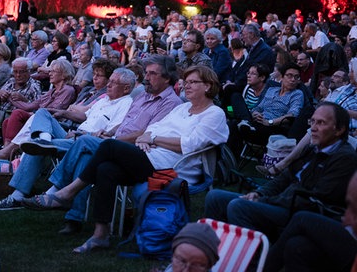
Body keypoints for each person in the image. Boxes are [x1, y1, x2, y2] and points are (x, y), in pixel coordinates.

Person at [22, 66, 229, 253]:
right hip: (149, 158)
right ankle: (100, 235)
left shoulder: (214, 114)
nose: (186, 85)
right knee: (105, 169)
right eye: (186, 81)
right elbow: (151, 129)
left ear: (208, 86)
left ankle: (67, 191)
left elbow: (189, 143)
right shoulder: (182, 108)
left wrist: (154, 138)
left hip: (172, 170)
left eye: (193, 82)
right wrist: (151, 137)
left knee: (109, 146)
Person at [205, 102, 357, 241]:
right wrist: (260, 193)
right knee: (214, 197)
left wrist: (264, 200)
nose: (313, 128)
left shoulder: (344, 159)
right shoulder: (313, 148)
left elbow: (313, 198)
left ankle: (251, 260)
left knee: (238, 207)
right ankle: (211, 248)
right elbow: (283, 178)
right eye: (312, 121)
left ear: (339, 129)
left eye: (321, 123)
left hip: (300, 213)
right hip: (280, 202)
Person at [0, 68, 136, 210]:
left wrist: (82, 135)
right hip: (74, 134)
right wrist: (63, 113)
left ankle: (17, 196)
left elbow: (110, 134)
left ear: (126, 88)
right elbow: (84, 116)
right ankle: (44, 140)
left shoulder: (126, 103)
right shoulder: (104, 100)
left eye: (113, 82)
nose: (108, 85)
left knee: (34, 145)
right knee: (42, 112)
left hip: (85, 141)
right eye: (109, 81)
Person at [0, 59, 76, 161]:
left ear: (64, 75)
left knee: (17, 113)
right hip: (37, 116)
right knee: (7, 121)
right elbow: (28, 106)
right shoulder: (51, 91)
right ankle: (7, 153)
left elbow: (54, 111)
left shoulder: (68, 90)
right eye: (50, 71)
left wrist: (13, 100)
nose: (49, 74)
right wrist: (9, 96)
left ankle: (6, 153)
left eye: (53, 71)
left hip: (51, 123)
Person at [236, 62, 303, 145]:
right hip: (258, 120)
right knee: (235, 95)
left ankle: (246, 125)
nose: (293, 79)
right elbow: (259, 107)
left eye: (296, 77)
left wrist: (269, 122)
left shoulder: (297, 94)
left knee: (237, 127)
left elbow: (292, 115)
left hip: (274, 128)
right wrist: (255, 113)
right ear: (282, 77)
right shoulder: (272, 90)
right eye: (289, 76)